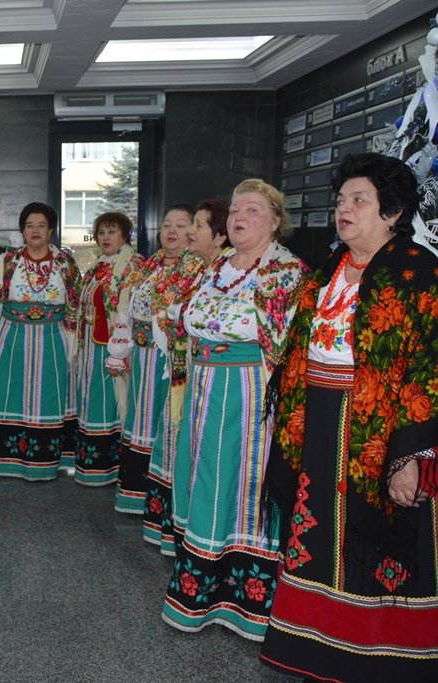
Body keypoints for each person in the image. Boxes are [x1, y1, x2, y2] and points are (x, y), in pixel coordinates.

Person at [261, 153, 438, 678]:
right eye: (340, 200)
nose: (345, 208)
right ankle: (315, 646)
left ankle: (383, 657)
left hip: (382, 439)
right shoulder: (329, 271)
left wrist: (412, 455)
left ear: (393, 212)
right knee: (317, 538)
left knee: (378, 549)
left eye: (359, 199)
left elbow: (429, 368)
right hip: (320, 430)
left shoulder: (419, 272)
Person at [162, 181, 306, 640]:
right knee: (205, 481)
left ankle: (247, 601)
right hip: (205, 388)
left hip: (250, 393)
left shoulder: (286, 272)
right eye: (236, 209)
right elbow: (187, 316)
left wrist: (205, 324)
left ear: (276, 221)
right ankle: (199, 590)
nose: (240, 216)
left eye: (253, 210)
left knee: (245, 486)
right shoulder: (219, 265)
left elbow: (280, 339)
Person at [142, 199, 229, 552]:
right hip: (186, 371)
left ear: (219, 236)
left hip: (211, 377)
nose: (188, 232)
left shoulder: (224, 272)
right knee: (179, 442)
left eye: (196, 225)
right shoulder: (205, 270)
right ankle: (176, 531)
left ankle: (196, 538)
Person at [108, 205, 204, 514]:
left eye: (181, 224)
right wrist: (121, 350)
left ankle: (163, 504)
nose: (172, 231)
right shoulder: (147, 266)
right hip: (141, 360)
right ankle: (136, 496)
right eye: (166, 225)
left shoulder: (198, 268)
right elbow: (126, 309)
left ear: (193, 231)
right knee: (140, 419)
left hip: (171, 363)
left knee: (167, 423)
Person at [0, 202, 79, 480]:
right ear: (22, 231)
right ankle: (9, 461)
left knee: (49, 397)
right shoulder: (8, 261)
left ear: (51, 231)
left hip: (53, 340)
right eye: (29, 226)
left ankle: (46, 462)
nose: (35, 231)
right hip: (13, 339)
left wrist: (74, 346)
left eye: (41, 225)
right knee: (11, 394)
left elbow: (75, 306)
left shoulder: (65, 263)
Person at [74, 211, 144, 486]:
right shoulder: (97, 266)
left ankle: (111, 467)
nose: (105, 237)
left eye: (112, 231)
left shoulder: (133, 266)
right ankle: (91, 466)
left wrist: (120, 352)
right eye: (101, 232)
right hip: (92, 345)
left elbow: (129, 311)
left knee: (113, 402)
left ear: (124, 235)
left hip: (115, 346)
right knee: (93, 401)